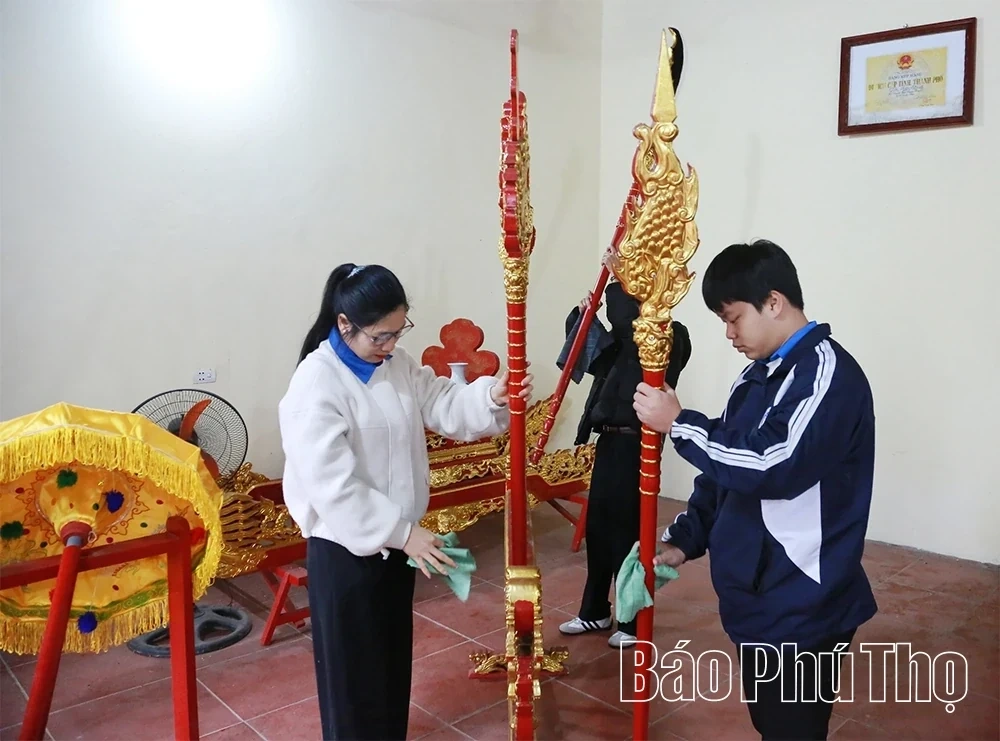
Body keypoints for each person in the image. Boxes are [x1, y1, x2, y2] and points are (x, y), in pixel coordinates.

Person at [278, 263, 533, 741]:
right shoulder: (317, 384)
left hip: (397, 549)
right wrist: (402, 532)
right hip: (346, 555)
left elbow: (441, 403)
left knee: (390, 667)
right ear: (344, 325)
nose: (391, 345)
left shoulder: (395, 366)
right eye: (381, 336)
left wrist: (493, 397)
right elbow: (332, 485)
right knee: (354, 682)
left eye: (398, 332)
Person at [633, 240, 876, 740]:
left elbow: (773, 464)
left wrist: (679, 425)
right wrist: (683, 541)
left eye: (733, 317)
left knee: (793, 729)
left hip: (803, 599)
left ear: (774, 302)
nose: (728, 333)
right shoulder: (757, 379)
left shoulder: (827, 374)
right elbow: (727, 470)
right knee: (772, 724)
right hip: (756, 597)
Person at [556, 268, 692, 649]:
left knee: (628, 533)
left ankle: (631, 621)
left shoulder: (667, 334)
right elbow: (592, 359)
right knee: (598, 529)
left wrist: (620, 279)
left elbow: (645, 345)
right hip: (609, 444)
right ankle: (594, 610)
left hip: (639, 445)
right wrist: (585, 316)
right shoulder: (620, 340)